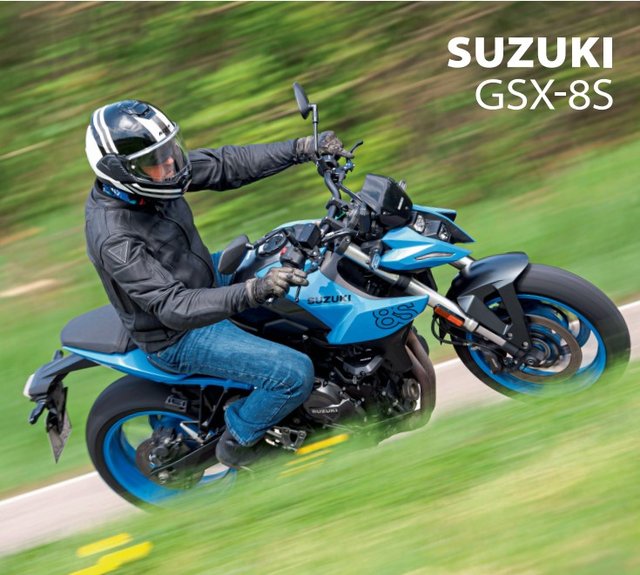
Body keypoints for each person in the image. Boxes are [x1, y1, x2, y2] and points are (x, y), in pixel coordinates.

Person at [84, 99, 352, 469]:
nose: (170, 163)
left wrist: (301, 148)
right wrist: (253, 291)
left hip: (203, 276)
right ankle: (239, 443)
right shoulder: (114, 237)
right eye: (155, 160)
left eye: (169, 150)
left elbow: (226, 164)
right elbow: (174, 307)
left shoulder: (155, 178)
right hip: (177, 332)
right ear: (121, 171)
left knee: (292, 255)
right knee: (293, 374)